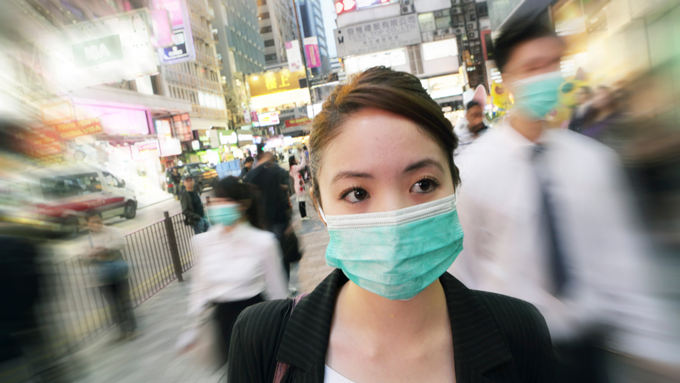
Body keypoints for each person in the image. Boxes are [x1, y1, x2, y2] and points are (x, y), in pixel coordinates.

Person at [227, 67, 555, 382]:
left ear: (454, 186)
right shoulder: (262, 340)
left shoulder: (519, 332)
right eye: (357, 193)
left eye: (423, 184)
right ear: (321, 207)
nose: (394, 217)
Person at [448, 19, 663, 383]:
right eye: (532, 68)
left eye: (552, 65)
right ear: (507, 82)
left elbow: (621, 258)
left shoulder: (592, 161)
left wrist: (656, 347)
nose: (546, 76)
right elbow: (461, 272)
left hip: (588, 350)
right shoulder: (472, 172)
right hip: (514, 353)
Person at [186, 177, 287, 366]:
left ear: (242, 205)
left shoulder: (263, 242)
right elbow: (199, 286)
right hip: (222, 324)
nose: (218, 206)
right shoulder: (203, 242)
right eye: (216, 201)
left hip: (257, 322)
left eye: (226, 201)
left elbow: (277, 289)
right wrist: (193, 327)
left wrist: (285, 330)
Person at [84, 213, 136, 340]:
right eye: (93, 222)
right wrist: (89, 255)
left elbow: (120, 242)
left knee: (124, 301)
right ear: (87, 224)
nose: (96, 224)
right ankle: (122, 330)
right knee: (113, 304)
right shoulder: (88, 239)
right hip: (103, 277)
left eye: (98, 221)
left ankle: (131, 329)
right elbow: (84, 256)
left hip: (119, 272)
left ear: (102, 220)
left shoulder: (112, 231)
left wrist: (104, 248)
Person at [288, 155, 309, 220]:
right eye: (295, 158)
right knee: (301, 201)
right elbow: (302, 166)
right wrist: (303, 157)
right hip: (298, 186)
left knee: (302, 201)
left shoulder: (293, 167)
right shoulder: (294, 167)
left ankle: (304, 215)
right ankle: (303, 216)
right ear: (293, 160)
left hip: (299, 185)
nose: (296, 159)